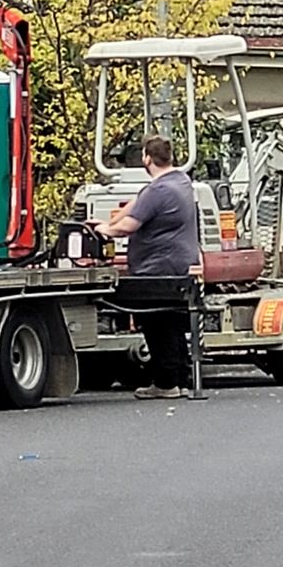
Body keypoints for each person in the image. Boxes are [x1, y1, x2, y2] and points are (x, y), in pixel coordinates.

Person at [93, 134, 200, 400]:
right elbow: (137, 204)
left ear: (146, 158)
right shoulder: (181, 182)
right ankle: (180, 378)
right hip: (180, 267)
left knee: (156, 323)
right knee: (173, 324)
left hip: (156, 269)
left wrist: (105, 229)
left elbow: (130, 225)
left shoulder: (159, 190)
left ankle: (165, 384)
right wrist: (115, 217)